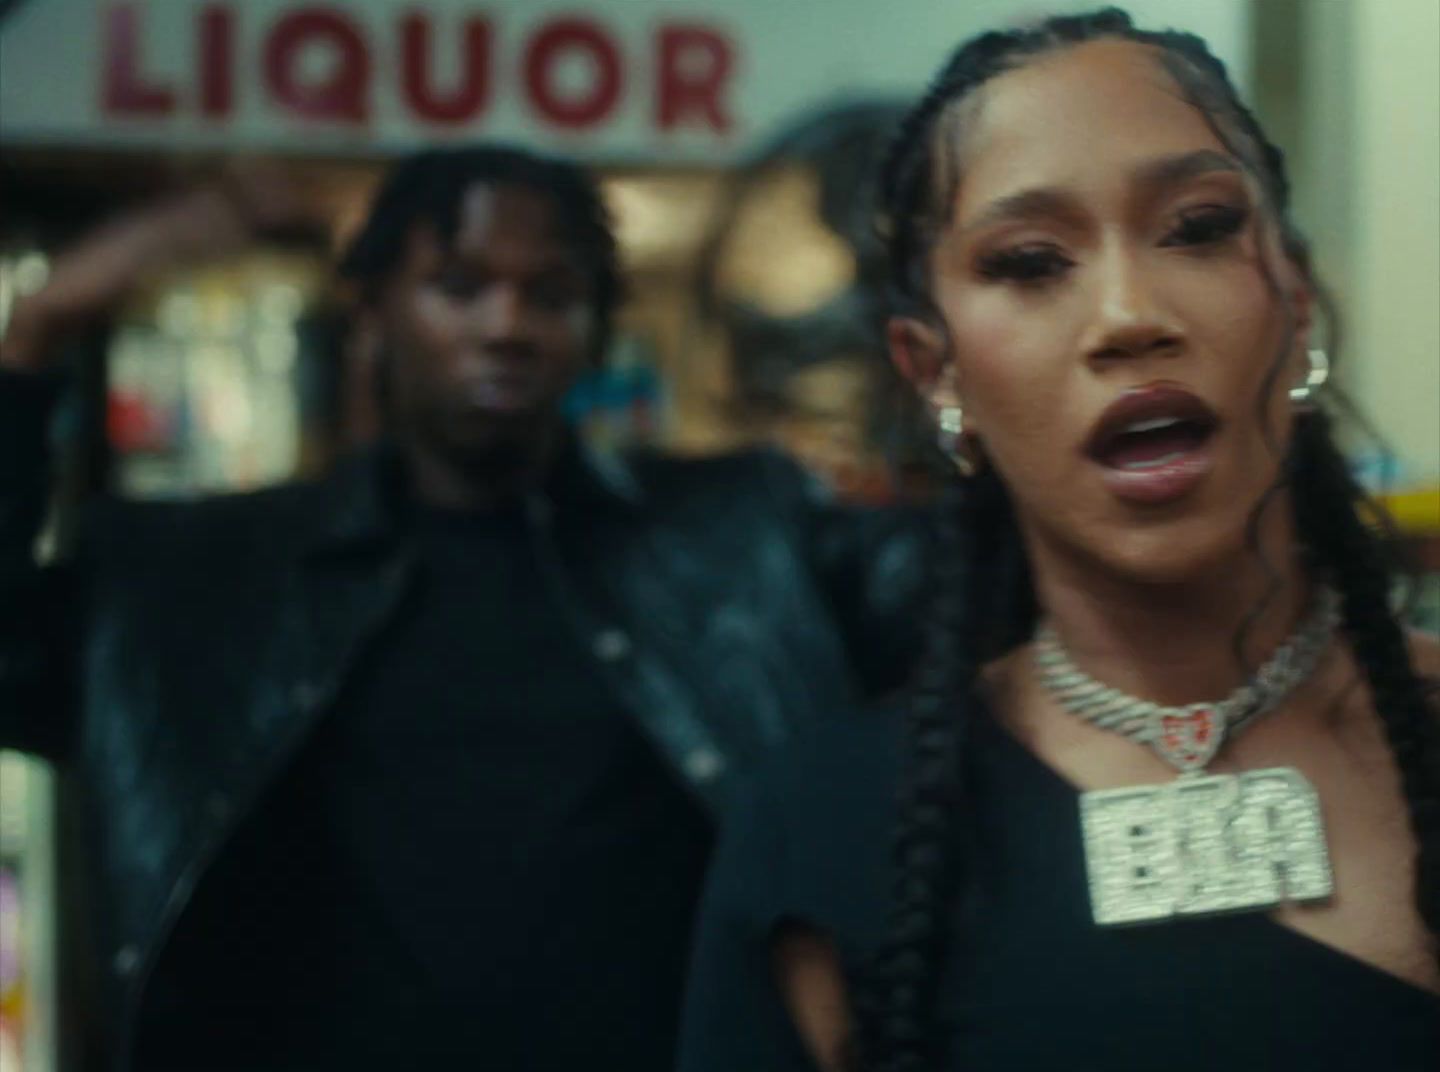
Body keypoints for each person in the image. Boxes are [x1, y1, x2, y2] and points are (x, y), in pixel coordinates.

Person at [0, 147, 924, 1070]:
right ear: (373, 316)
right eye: (458, 285)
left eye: (551, 294)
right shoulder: (206, 575)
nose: (506, 325)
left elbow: (968, 592)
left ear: (594, 329)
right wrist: (38, 332)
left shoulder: (743, 535)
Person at [677, 9, 1440, 1071]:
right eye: (1032, 261)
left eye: (1199, 226)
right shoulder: (828, 826)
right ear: (936, 373)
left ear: (1297, 307)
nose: (1128, 314)